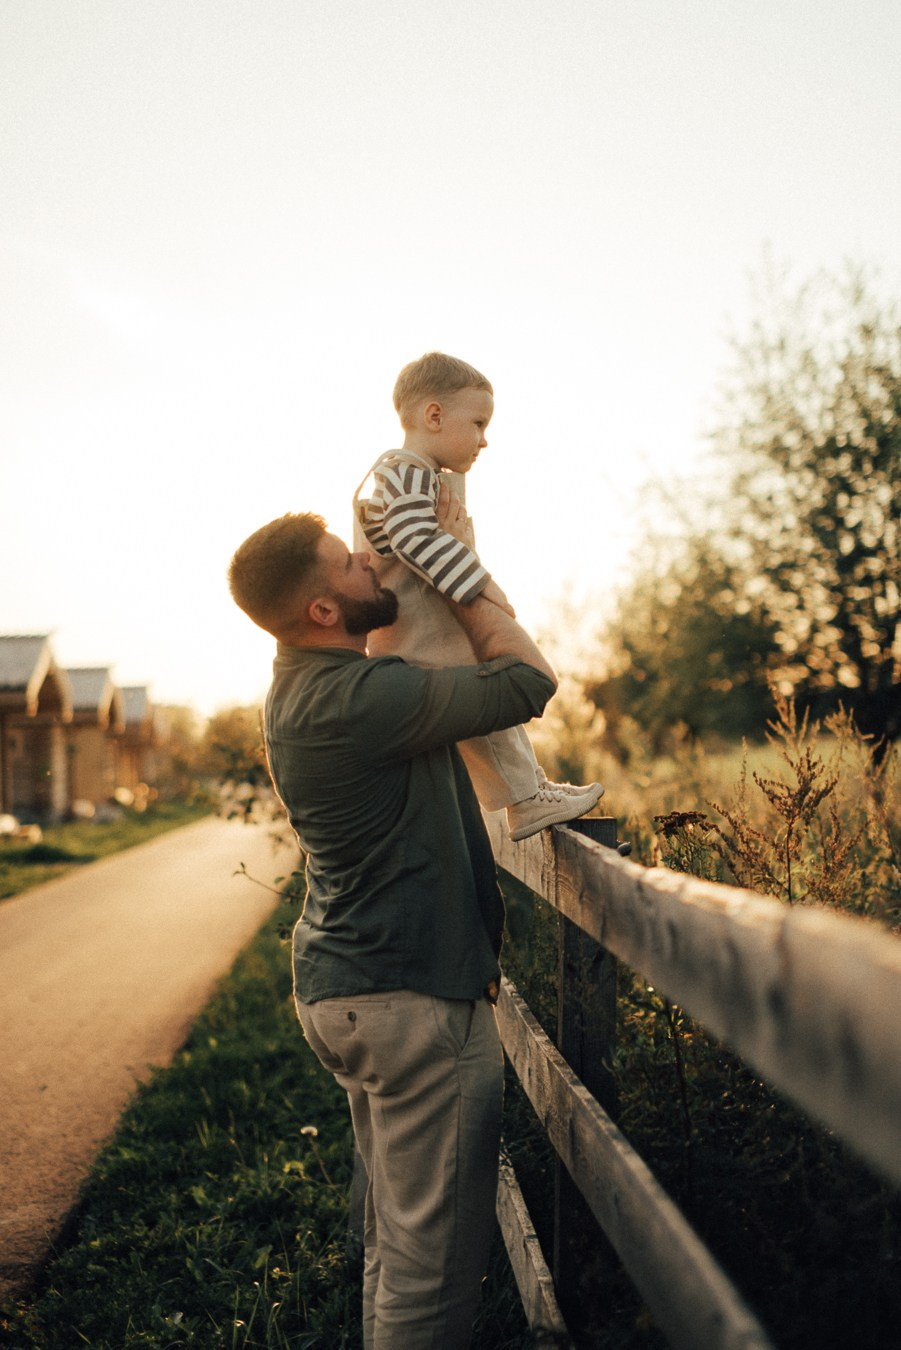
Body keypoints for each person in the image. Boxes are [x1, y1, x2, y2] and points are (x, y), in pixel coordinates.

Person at [227, 495, 557, 1349]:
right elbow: (527, 682)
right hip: (409, 998)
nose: (370, 564)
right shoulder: (363, 699)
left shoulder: (306, 687)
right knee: (430, 1271)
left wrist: (419, 526)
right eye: (350, 561)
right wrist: (459, 572)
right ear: (323, 611)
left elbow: (389, 638)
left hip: (350, 991)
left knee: (397, 1245)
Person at [352, 350, 604, 841]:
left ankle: (528, 793)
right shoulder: (403, 470)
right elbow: (415, 540)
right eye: (479, 422)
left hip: (429, 636)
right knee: (488, 705)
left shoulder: (417, 475)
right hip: (419, 637)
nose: (484, 440)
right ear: (434, 415)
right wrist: (484, 585)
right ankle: (526, 799)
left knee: (485, 716)